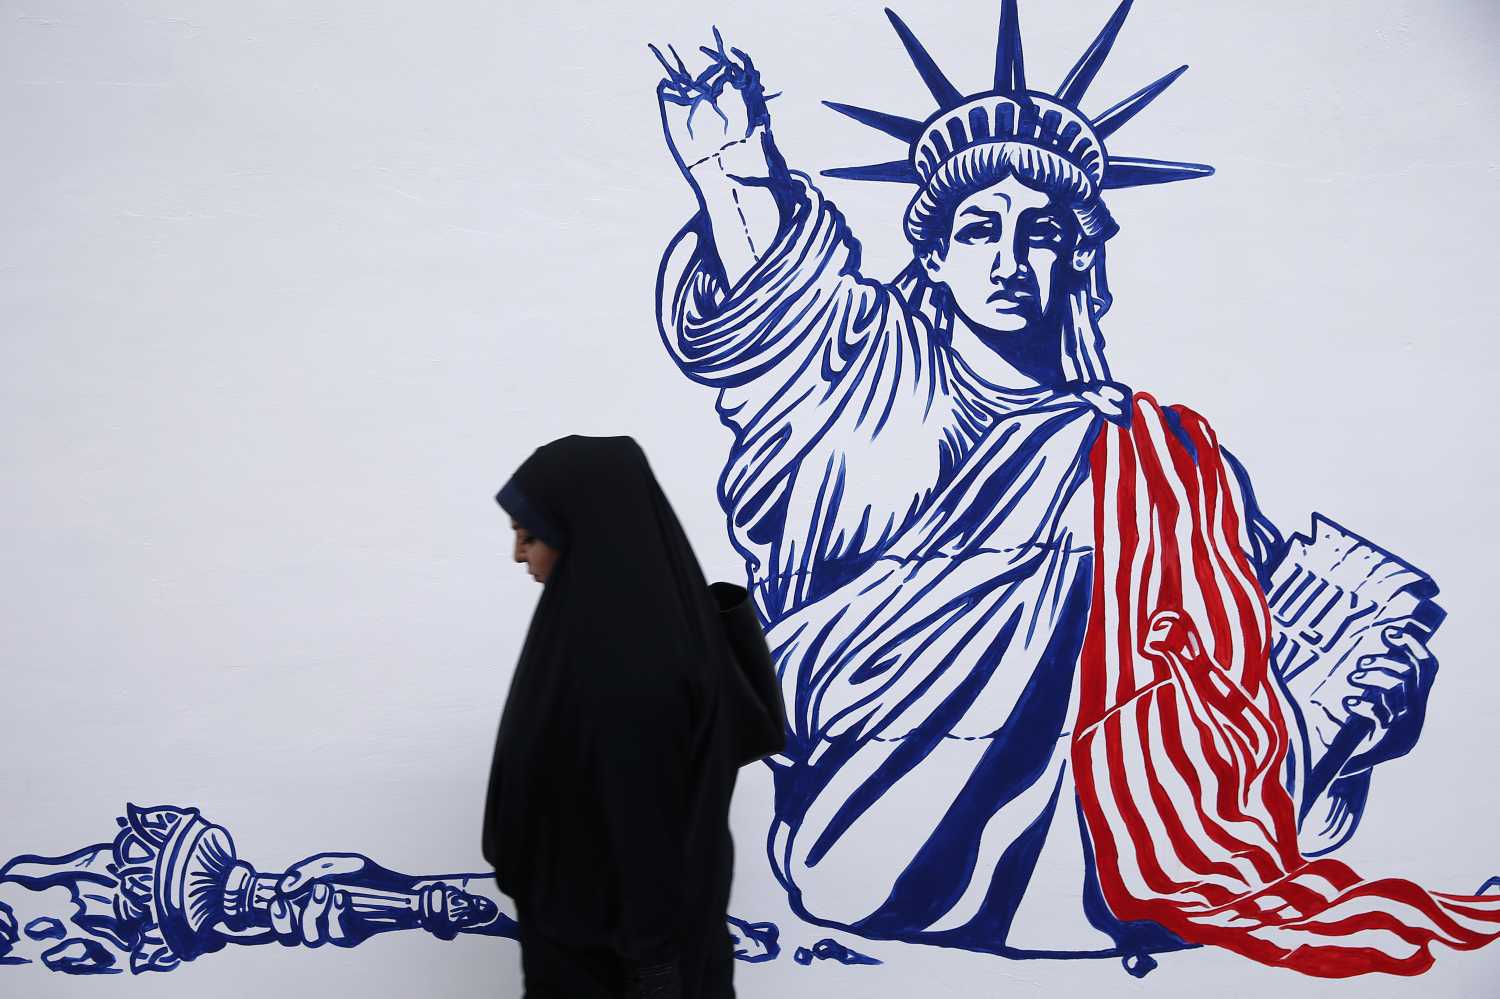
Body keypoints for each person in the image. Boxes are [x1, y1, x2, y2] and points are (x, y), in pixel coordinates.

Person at [648, 2, 1499, 979]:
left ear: (1079, 254)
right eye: (979, 230)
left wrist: (1371, 706)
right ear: (933, 253)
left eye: (1041, 231)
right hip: (869, 835)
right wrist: (734, 171)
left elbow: (1249, 675)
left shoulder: (1165, 457)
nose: (1010, 261)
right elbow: (785, 321)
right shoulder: (874, 383)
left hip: (1116, 864)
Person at [482, 435, 783, 998]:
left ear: (584, 534)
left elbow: (648, 826)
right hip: (601, 952)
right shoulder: (607, 635)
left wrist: (654, 971)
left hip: (622, 970)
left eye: (531, 534)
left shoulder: (630, 662)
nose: (520, 554)